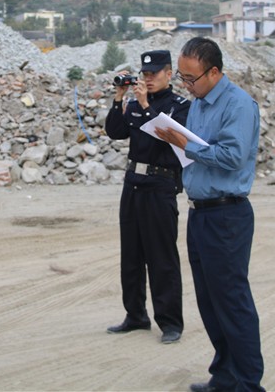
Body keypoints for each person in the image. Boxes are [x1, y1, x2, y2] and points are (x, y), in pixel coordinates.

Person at [155, 37, 265, 391]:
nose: (186, 86)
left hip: (227, 216)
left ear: (214, 72)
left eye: (191, 78)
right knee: (210, 301)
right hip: (200, 214)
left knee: (232, 302)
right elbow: (197, 153)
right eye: (182, 78)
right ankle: (225, 377)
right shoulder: (199, 104)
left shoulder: (238, 104)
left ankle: (248, 384)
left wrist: (187, 145)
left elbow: (233, 156)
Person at [104, 49, 189, 345]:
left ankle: (170, 322)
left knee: (161, 257)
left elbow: (168, 138)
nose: (148, 79)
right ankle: (135, 314)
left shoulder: (179, 106)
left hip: (160, 185)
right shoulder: (135, 102)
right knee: (131, 255)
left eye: (154, 74)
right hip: (133, 184)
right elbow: (115, 132)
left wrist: (145, 105)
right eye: (145, 74)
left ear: (169, 74)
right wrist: (119, 99)